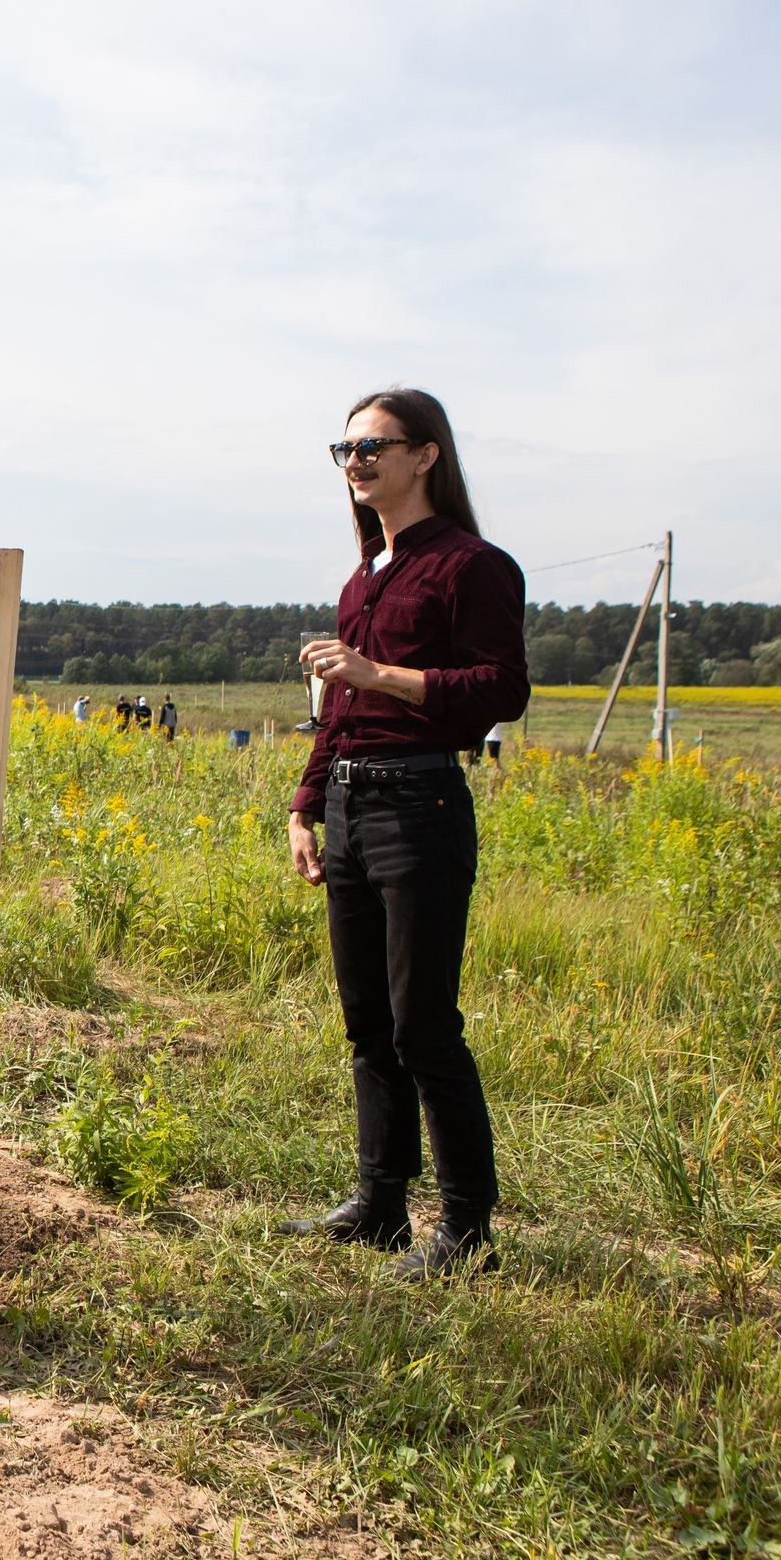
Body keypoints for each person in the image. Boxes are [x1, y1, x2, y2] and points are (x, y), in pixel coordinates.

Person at [281, 388, 529, 1279]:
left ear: (426, 455)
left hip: (419, 808)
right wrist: (305, 808)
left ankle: (466, 1230)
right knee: (367, 1025)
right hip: (348, 807)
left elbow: (500, 692)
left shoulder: (471, 566)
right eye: (344, 448)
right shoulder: (362, 577)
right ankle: (381, 1204)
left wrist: (376, 669)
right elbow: (337, 713)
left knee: (424, 1025)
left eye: (373, 445)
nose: (355, 460)